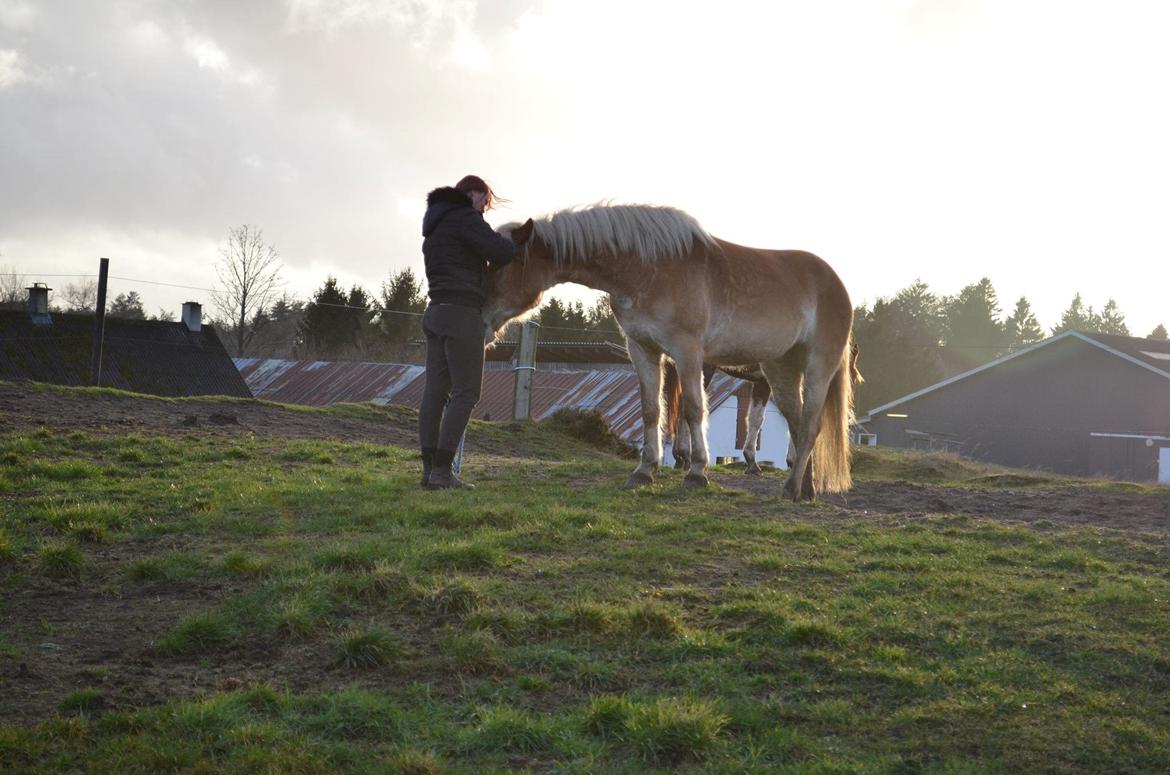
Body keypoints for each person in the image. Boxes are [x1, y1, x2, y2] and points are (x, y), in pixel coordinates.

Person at [418, 174, 517, 489]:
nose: (485, 209)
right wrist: (512, 239)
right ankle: (442, 472)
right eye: (485, 202)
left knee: (435, 393)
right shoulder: (465, 218)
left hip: (436, 311)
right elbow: (501, 252)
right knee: (466, 393)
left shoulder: (435, 226)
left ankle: (429, 470)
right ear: (474, 194)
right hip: (462, 315)